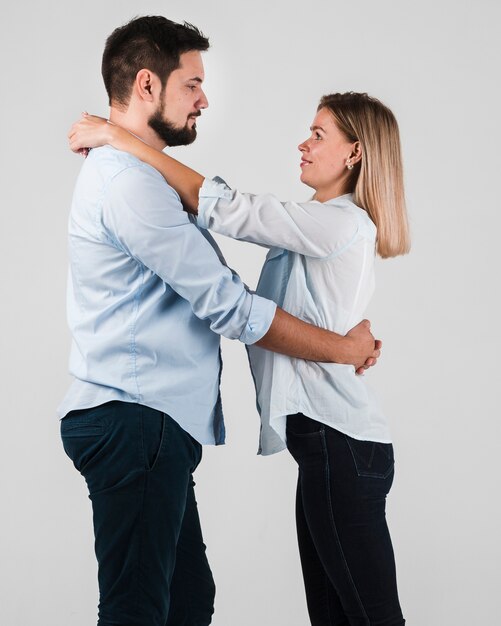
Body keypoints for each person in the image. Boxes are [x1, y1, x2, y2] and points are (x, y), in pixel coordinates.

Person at [61, 16, 381, 626]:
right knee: (140, 610)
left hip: (148, 423)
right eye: (193, 84)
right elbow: (231, 305)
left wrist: (116, 136)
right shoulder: (130, 184)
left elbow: (223, 215)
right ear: (148, 86)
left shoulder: (139, 174)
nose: (204, 99)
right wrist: (342, 349)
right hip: (136, 418)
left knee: (185, 603)